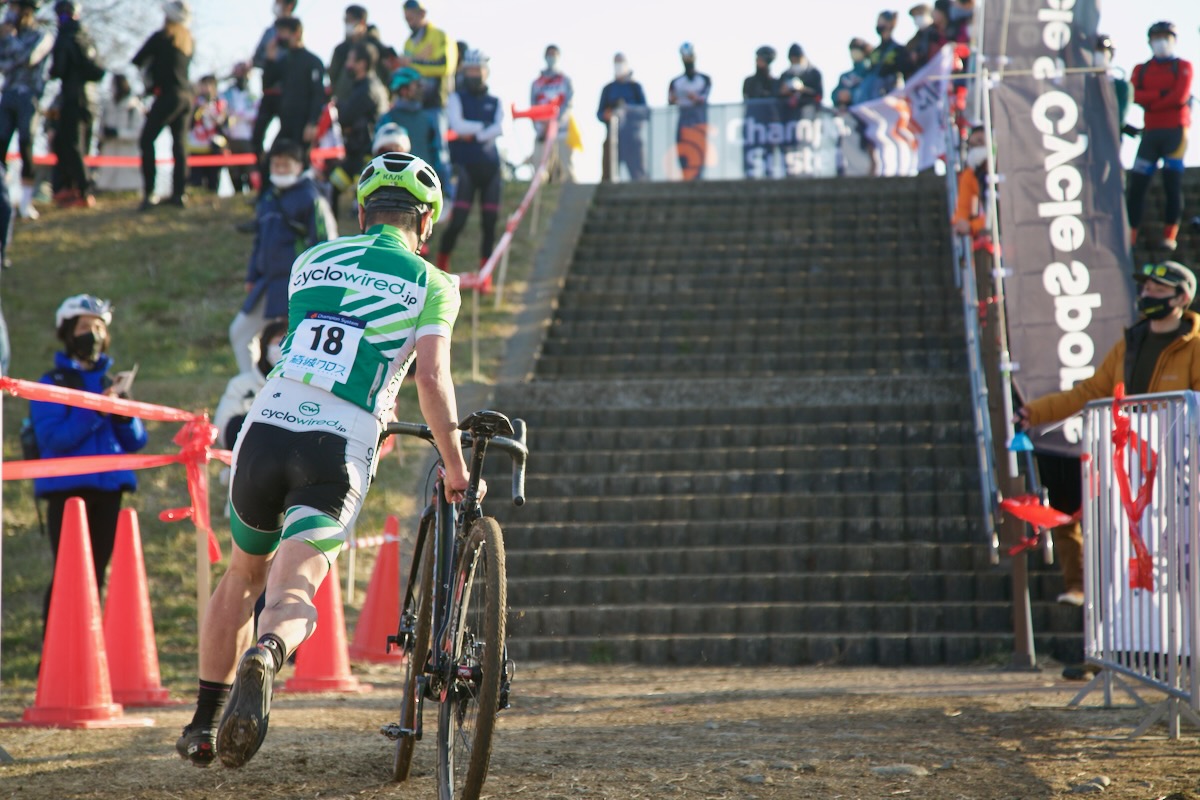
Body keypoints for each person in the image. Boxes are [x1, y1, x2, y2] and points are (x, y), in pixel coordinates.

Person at [175, 152, 470, 770]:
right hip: (339, 440)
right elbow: (433, 381)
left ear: (361, 211)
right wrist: (456, 463)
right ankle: (269, 651)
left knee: (242, 574)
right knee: (293, 590)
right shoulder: (433, 283)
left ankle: (203, 722)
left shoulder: (312, 260)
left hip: (266, 425)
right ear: (428, 221)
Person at [1015, 260, 1200, 678]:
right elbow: (1093, 392)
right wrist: (1035, 413)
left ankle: (1181, 654)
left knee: (1179, 564)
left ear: (1182, 298)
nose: (1148, 295)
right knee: (1115, 560)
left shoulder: (1197, 343)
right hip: (1128, 474)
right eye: (1147, 288)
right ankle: (1113, 651)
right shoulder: (1129, 342)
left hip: (1178, 476)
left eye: (1158, 290)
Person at [30, 294, 148, 630]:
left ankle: (88, 654)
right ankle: (52, 655)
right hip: (67, 493)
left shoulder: (111, 382)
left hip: (110, 489)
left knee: (96, 574)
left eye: (98, 327)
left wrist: (123, 414)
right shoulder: (49, 383)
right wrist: (96, 411)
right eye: (84, 326)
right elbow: (53, 438)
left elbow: (136, 440)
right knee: (69, 575)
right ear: (68, 332)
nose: (92, 333)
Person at [229, 137, 335, 375]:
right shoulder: (268, 198)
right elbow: (260, 240)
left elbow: (325, 243)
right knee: (240, 332)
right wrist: (252, 275)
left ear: (299, 166)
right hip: (267, 284)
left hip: (296, 286)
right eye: (275, 165)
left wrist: (318, 284)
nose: (279, 170)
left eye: (285, 165)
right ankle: (253, 387)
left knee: (292, 345)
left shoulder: (311, 198)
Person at [1126, 21, 1192, 252]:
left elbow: (1180, 96)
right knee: (1137, 186)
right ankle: (1131, 235)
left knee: (1171, 183)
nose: (1162, 42)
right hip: (1151, 134)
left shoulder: (1184, 66)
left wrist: (1152, 100)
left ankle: (1169, 235)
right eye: (1157, 37)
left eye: (1166, 37)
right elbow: (1135, 95)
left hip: (1175, 133)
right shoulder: (1140, 69)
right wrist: (1162, 95)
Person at [437, 48, 502, 280]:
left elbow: (499, 128)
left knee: (490, 223)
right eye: (471, 70)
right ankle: (441, 265)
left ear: (486, 72)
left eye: (478, 70)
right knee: (458, 221)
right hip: (464, 166)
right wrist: (481, 129)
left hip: (490, 167)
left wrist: (473, 131)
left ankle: (486, 275)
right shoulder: (456, 97)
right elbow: (457, 125)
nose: (474, 74)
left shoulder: (495, 101)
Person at [132, 0, 193, 210]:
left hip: (169, 95)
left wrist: (149, 81)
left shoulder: (162, 37)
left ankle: (149, 194)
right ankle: (179, 194)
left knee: (146, 140)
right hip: (187, 96)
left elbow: (138, 60)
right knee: (179, 145)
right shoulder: (188, 41)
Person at [48, 0, 105, 209]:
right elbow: (98, 70)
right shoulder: (87, 37)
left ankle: (84, 190)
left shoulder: (65, 36)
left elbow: (58, 69)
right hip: (90, 100)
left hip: (73, 98)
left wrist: (53, 71)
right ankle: (69, 188)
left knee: (71, 145)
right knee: (70, 144)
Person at [0, 0, 54, 219]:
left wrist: (10, 41)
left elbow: (29, 58)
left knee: (26, 146)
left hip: (29, 98)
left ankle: (25, 203)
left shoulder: (43, 35)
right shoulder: (7, 36)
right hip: (8, 95)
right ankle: (3, 199)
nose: (9, 13)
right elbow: (3, 64)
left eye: (13, 8)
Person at [398, 0, 456, 186]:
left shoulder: (440, 36)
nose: (409, 22)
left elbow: (445, 66)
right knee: (412, 150)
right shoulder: (408, 41)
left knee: (439, 149)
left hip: (435, 104)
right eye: (406, 19)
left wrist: (412, 64)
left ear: (422, 13)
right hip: (413, 106)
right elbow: (407, 73)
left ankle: (446, 193)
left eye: (412, 17)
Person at [214, 318, 288, 451]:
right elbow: (224, 430)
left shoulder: (305, 388)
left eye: (288, 343)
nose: (283, 348)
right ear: (265, 347)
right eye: (278, 342)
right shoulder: (241, 385)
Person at [333, 40, 389, 210]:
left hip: (364, 156)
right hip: (357, 154)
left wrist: (338, 107)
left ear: (362, 64)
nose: (347, 64)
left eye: (350, 60)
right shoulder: (365, 86)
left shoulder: (367, 89)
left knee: (365, 202)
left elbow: (345, 117)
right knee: (333, 188)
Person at [263, 17, 325, 158]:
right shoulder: (284, 61)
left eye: (283, 32)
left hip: (303, 125)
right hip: (285, 123)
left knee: (299, 161)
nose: (280, 37)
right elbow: (267, 85)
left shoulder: (312, 61)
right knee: (272, 160)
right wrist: (270, 60)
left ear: (296, 33)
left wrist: (312, 122)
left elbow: (318, 94)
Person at [250, 0, 295, 174]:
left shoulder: (295, 30)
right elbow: (257, 58)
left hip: (287, 96)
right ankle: (263, 174)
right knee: (256, 138)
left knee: (285, 138)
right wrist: (270, 59)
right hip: (269, 92)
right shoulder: (269, 33)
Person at [380, 66, 443, 179]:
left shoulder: (428, 119)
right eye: (416, 85)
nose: (421, 89)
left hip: (423, 182)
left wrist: (444, 186)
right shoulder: (388, 119)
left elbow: (438, 155)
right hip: (395, 181)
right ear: (404, 90)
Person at [597, 52, 647, 182]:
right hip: (613, 137)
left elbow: (645, 112)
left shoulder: (635, 87)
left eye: (620, 62)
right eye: (616, 62)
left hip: (633, 138)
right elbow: (599, 113)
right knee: (608, 175)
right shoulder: (608, 89)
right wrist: (607, 115)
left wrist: (628, 110)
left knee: (638, 176)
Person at [530, 43, 575, 182]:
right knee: (540, 169)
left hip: (562, 131)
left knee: (566, 169)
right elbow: (533, 107)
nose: (551, 57)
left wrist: (556, 121)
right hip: (542, 131)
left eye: (554, 54)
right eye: (549, 54)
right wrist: (541, 126)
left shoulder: (565, 80)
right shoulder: (537, 83)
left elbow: (568, 103)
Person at [668, 42, 710, 182]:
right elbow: (670, 100)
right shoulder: (675, 81)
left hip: (699, 120)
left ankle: (698, 179)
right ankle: (685, 177)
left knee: (698, 150)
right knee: (683, 149)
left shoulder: (704, 79)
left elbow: (703, 98)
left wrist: (695, 98)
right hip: (683, 118)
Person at [328, 4, 389, 102]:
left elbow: (386, 75)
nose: (347, 24)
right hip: (345, 102)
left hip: (371, 101)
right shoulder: (341, 50)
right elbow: (333, 75)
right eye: (345, 21)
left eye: (350, 20)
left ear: (362, 22)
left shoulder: (376, 47)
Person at [96, 73, 145, 192]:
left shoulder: (134, 106)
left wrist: (118, 133)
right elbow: (99, 128)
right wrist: (104, 134)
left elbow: (139, 132)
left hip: (128, 154)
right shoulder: (107, 105)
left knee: (127, 181)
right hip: (109, 152)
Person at [742, 45, 780, 179]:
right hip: (753, 124)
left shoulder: (775, 82)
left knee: (769, 155)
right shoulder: (749, 81)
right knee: (749, 155)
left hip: (769, 125)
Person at [187, 75, 229, 192]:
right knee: (195, 182)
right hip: (195, 147)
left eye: (209, 85)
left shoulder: (221, 104)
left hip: (214, 147)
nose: (206, 89)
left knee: (213, 182)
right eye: (203, 85)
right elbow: (188, 124)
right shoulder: (193, 103)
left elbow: (224, 125)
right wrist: (198, 109)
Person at [222, 62, 258, 195]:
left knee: (250, 169)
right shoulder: (226, 94)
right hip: (230, 138)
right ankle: (237, 193)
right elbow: (222, 112)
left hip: (248, 138)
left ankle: (252, 193)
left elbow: (256, 114)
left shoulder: (253, 95)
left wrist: (241, 115)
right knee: (234, 170)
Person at [951, 125, 989, 243]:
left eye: (980, 141)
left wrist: (974, 225)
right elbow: (962, 208)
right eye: (972, 145)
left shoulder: (1010, 168)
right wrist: (962, 223)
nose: (976, 148)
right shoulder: (970, 174)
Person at [865, 10, 912, 97]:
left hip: (890, 95)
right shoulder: (876, 51)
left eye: (880, 21)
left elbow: (906, 72)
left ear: (889, 23)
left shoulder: (899, 49)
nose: (878, 24)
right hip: (873, 96)